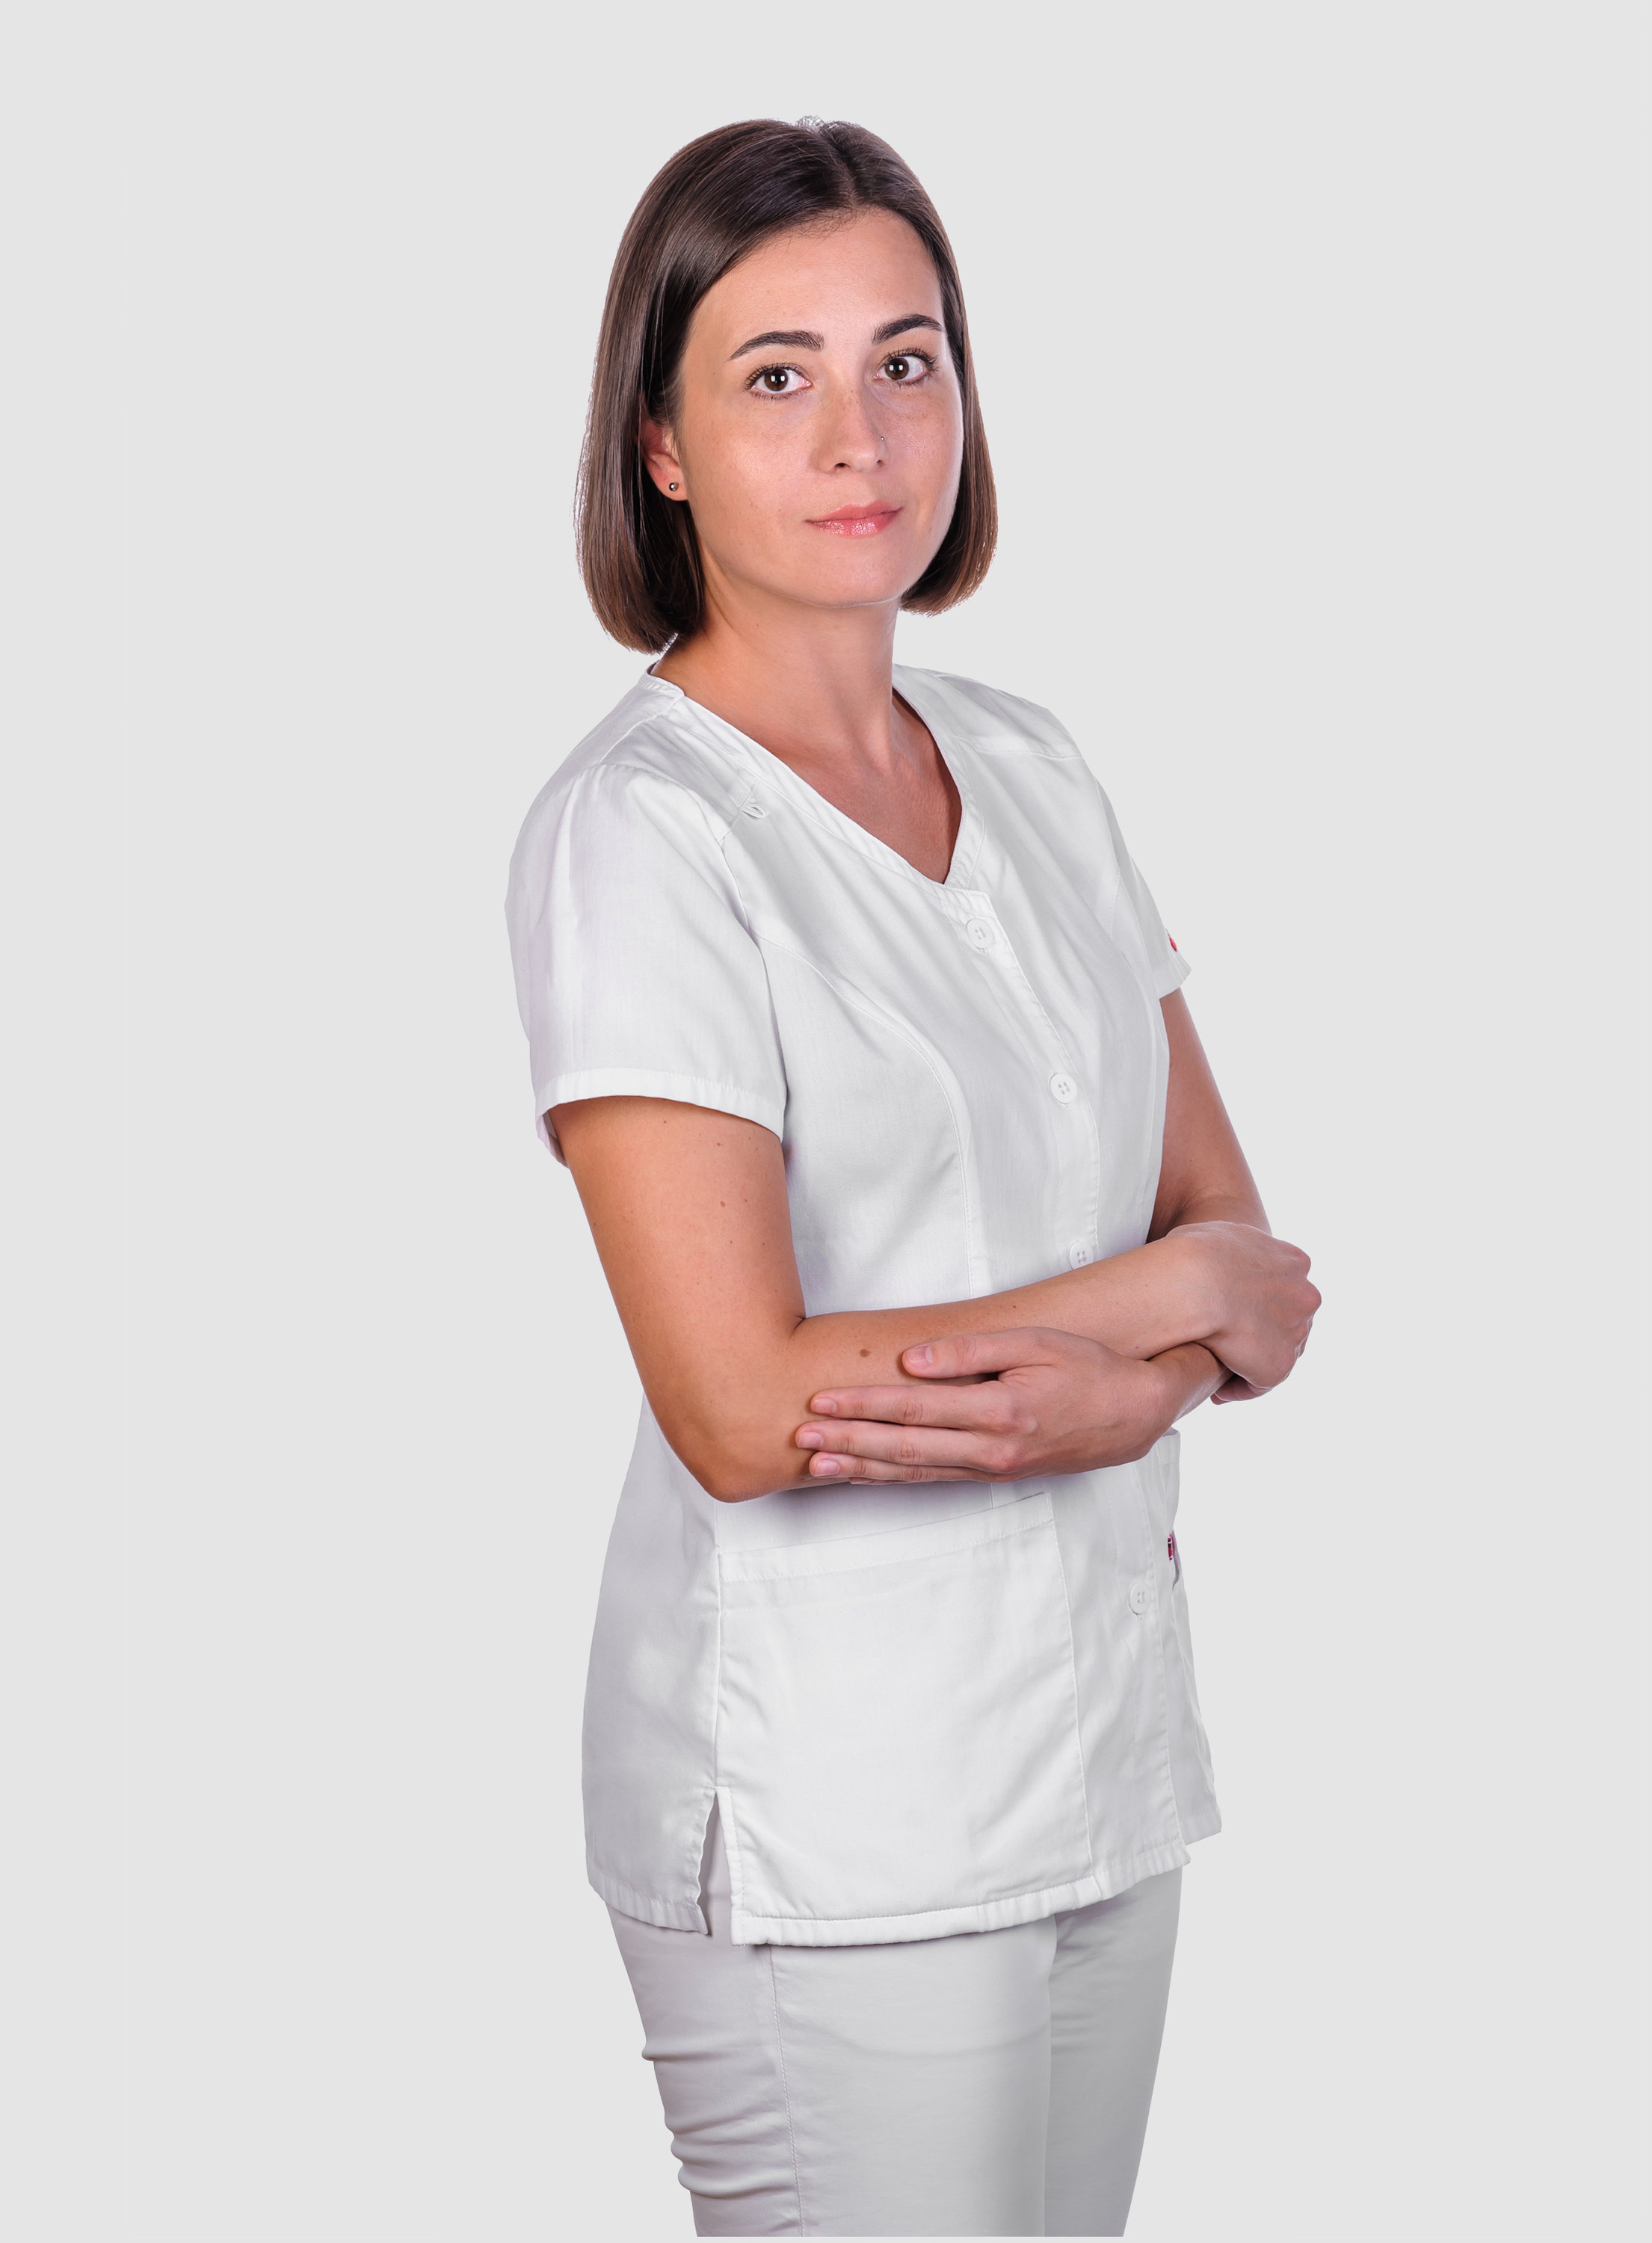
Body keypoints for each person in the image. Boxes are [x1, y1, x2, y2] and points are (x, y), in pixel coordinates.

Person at [507, 117, 1319, 2239]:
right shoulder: (643, 835)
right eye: (773, 374)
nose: (858, 433)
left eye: (908, 358)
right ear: (660, 447)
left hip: (1099, 1745)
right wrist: (1154, 1318)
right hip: (832, 1798)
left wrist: (1135, 1386)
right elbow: (739, 1402)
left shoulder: (1031, 766)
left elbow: (1253, 1269)